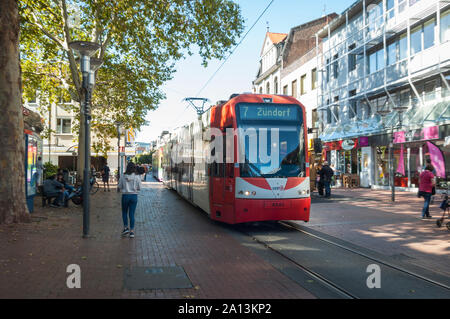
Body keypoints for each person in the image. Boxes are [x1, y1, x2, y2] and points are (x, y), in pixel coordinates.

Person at [118, 162, 142, 238]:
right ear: (134, 168)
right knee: (132, 214)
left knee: (124, 212)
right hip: (134, 196)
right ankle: (131, 231)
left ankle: (125, 228)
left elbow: (120, 186)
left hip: (125, 195)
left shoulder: (123, 176)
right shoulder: (137, 176)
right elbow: (139, 187)